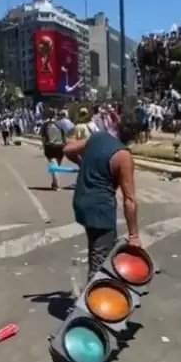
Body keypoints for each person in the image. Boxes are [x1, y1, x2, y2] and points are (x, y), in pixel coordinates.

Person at [63, 114, 141, 282]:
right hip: (101, 210)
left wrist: (81, 163)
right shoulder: (123, 156)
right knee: (101, 264)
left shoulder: (97, 137)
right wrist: (134, 235)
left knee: (96, 248)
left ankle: (94, 296)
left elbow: (68, 150)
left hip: (81, 203)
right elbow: (129, 200)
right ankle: (91, 302)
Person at [40, 108, 66, 191]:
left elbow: (43, 138)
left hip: (50, 146)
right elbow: (64, 135)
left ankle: (56, 185)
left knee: (54, 167)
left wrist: (44, 146)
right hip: (60, 146)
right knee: (57, 166)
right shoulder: (61, 123)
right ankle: (54, 183)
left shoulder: (45, 125)